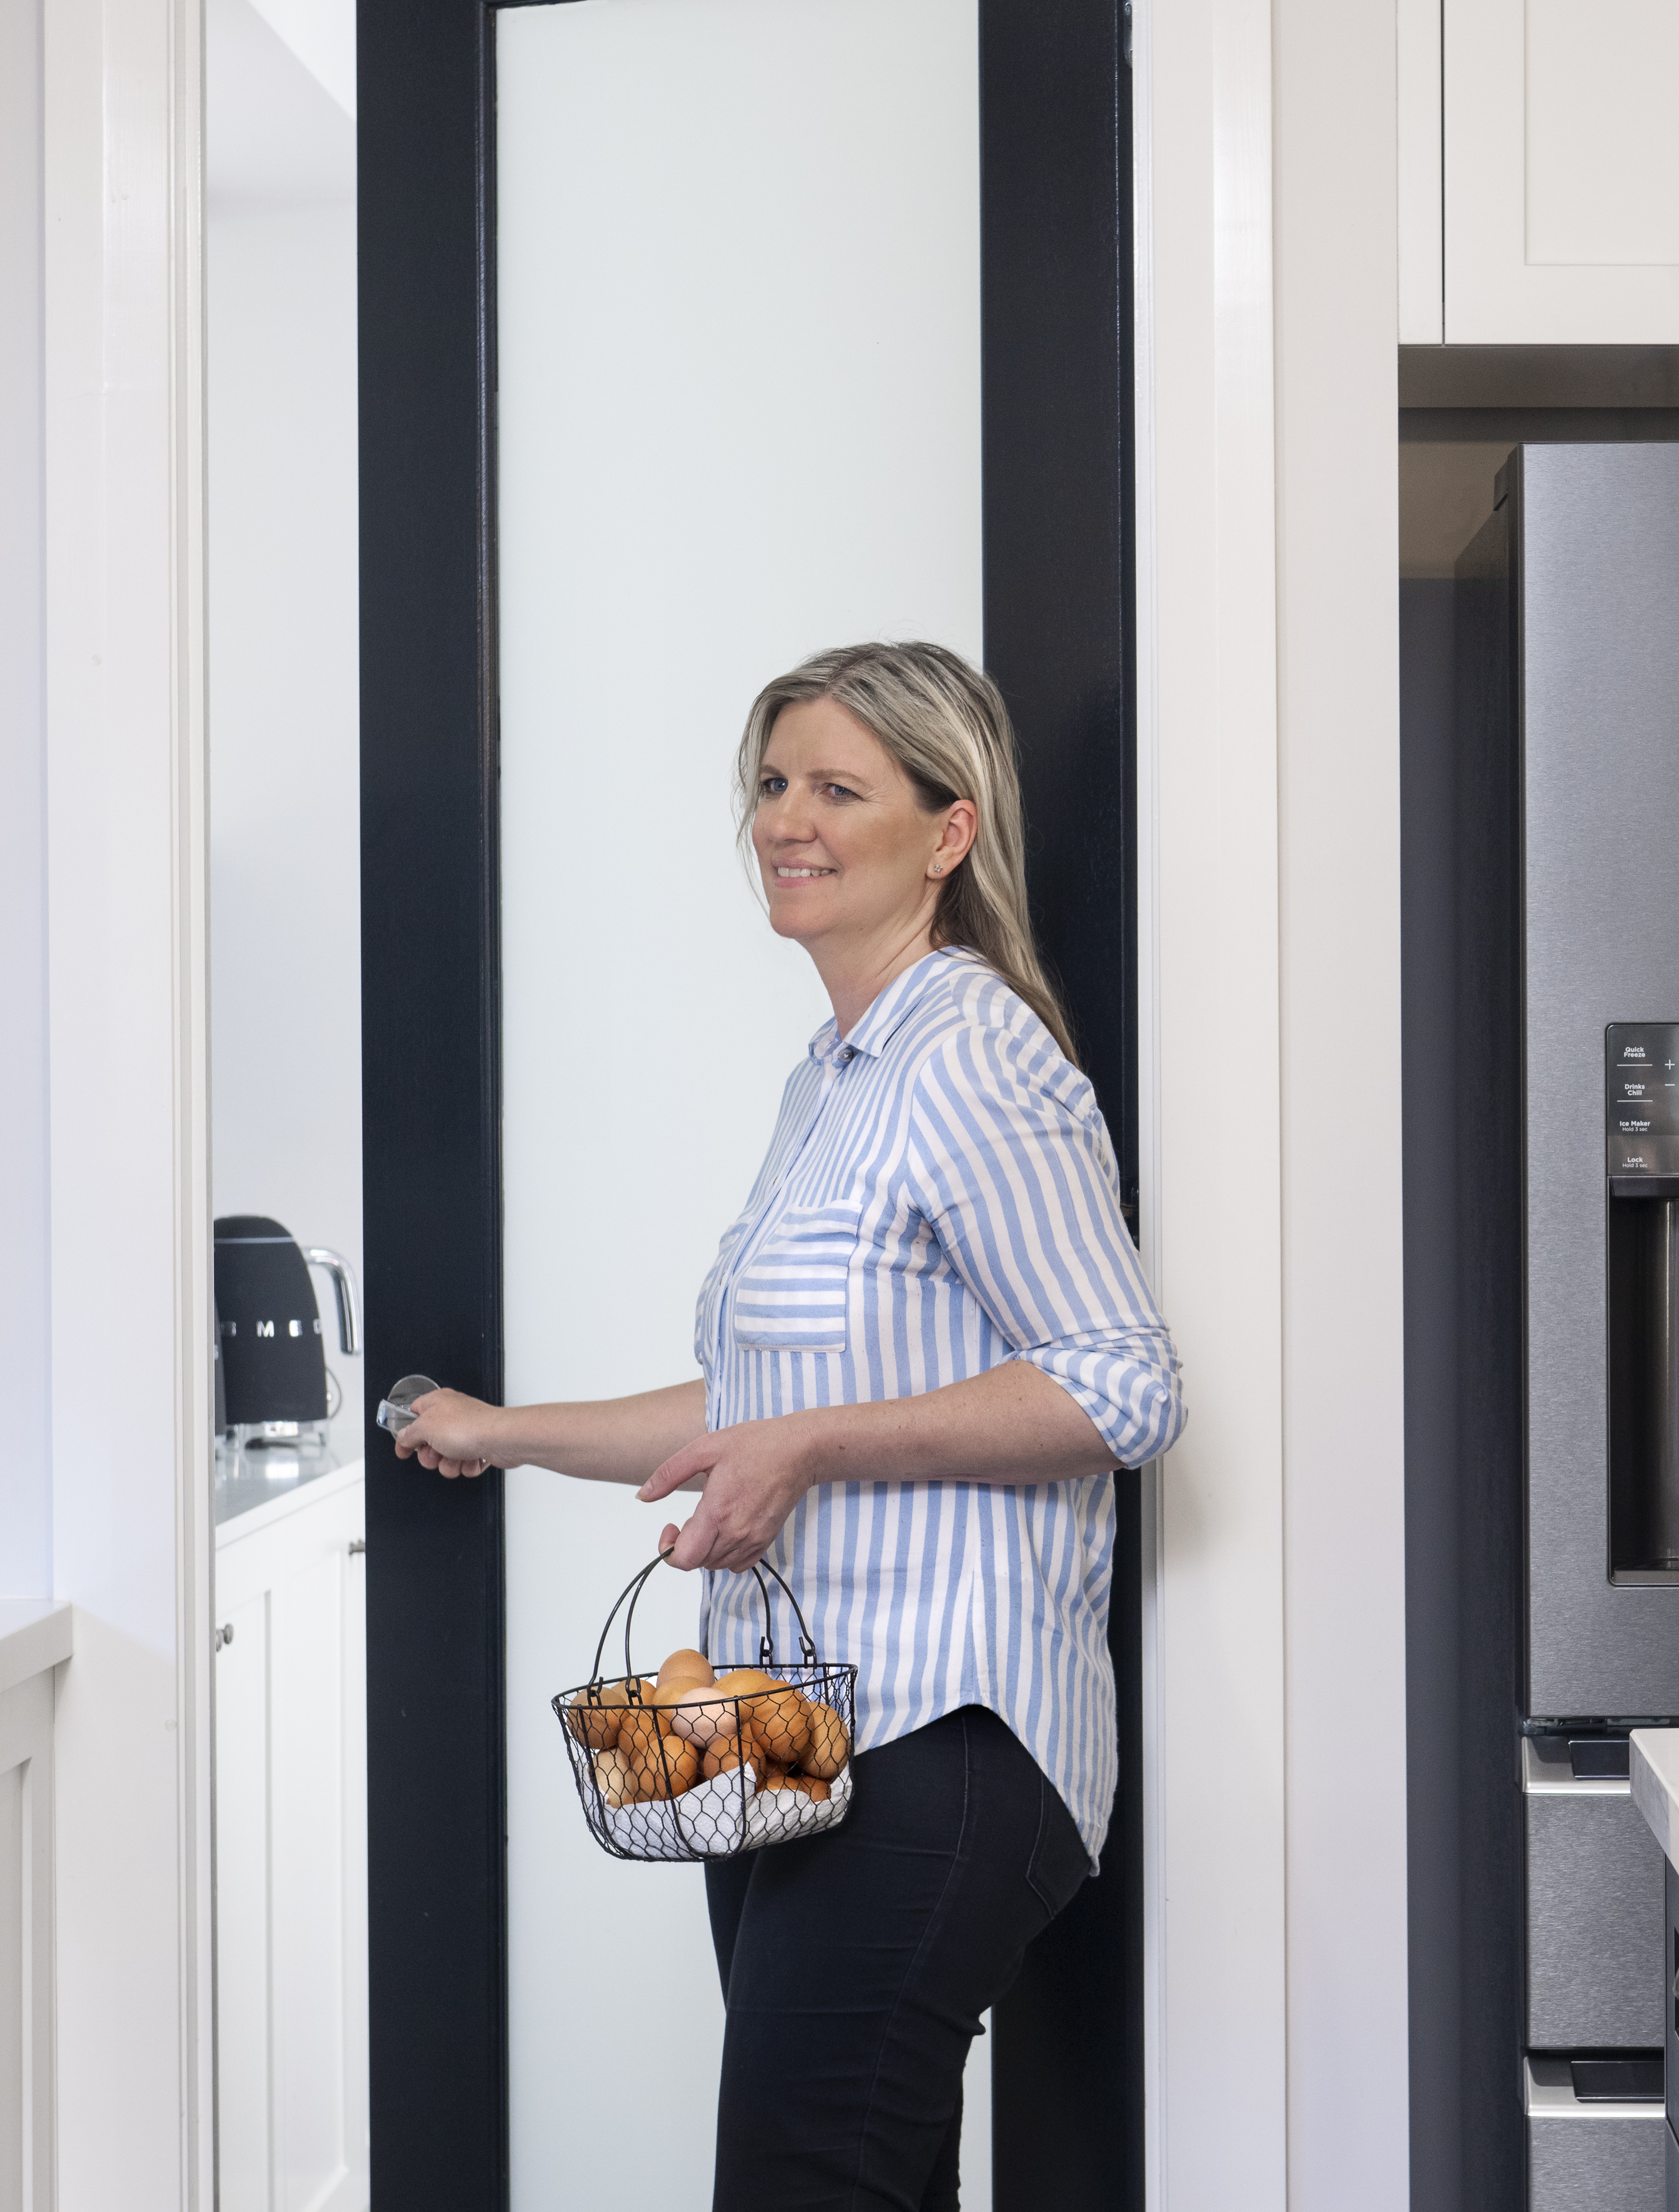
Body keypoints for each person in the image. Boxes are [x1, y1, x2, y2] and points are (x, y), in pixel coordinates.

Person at [393, 640, 1182, 2211]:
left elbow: (1120, 1385)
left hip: (942, 1736)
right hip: (781, 1739)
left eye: (838, 787)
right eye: (770, 783)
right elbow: (758, 1409)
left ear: (947, 831)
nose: (785, 820)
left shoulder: (977, 1055)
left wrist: (808, 1452)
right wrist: (505, 1432)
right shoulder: (832, 1079)